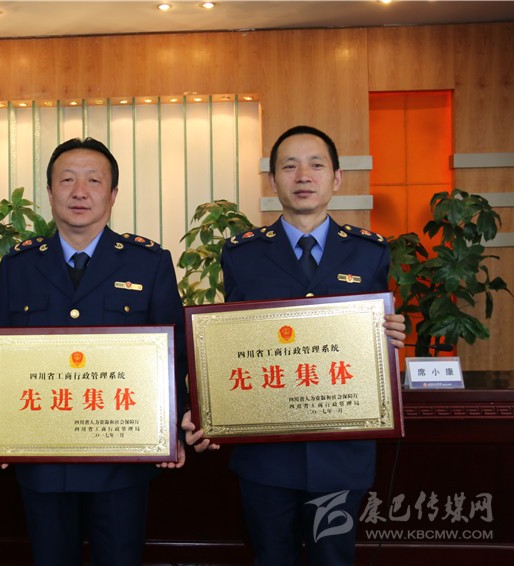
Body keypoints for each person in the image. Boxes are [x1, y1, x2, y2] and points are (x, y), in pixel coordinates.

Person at [183, 125, 407, 566]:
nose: (303, 175)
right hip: (266, 452)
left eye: (316, 165)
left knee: (333, 558)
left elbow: (374, 339)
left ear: (336, 178)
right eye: (289, 166)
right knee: (271, 556)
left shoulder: (370, 252)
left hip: (340, 451)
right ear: (273, 181)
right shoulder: (242, 254)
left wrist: (392, 335)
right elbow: (232, 342)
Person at [0, 137, 187, 565]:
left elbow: (174, 353)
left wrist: (171, 428)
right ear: (50, 193)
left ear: (113, 194)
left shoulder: (148, 263)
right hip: (42, 460)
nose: (80, 191)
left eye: (94, 180)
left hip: (122, 459)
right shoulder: (19, 266)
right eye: (67, 180)